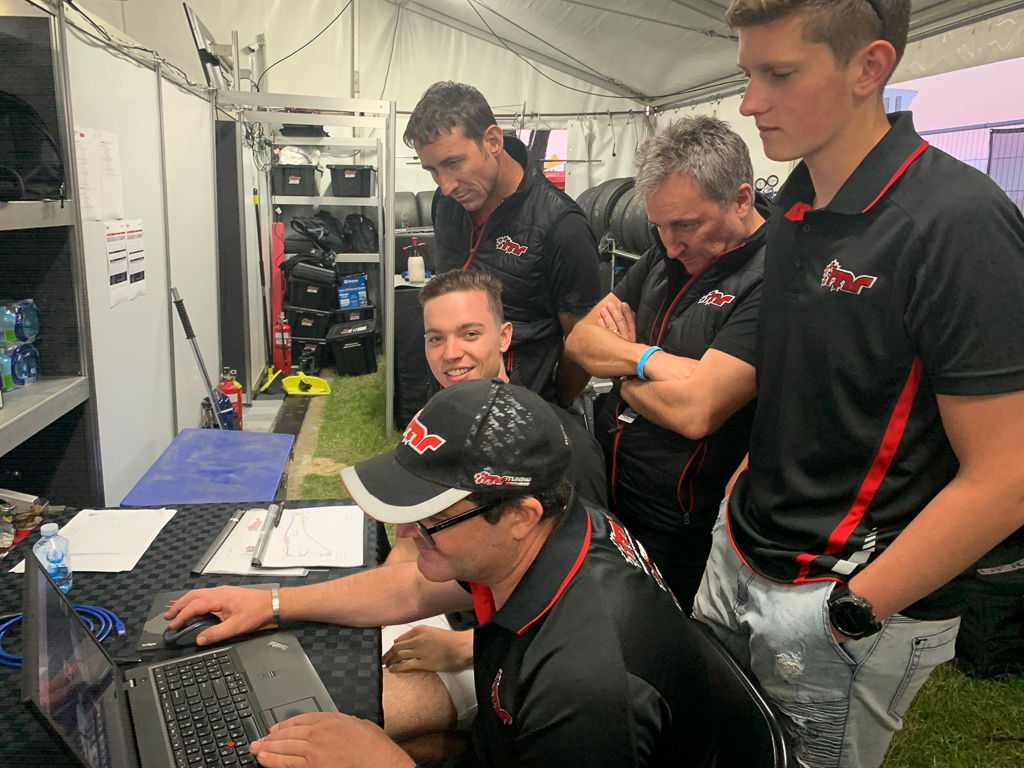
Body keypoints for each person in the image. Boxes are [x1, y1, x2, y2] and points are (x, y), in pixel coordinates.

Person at [693, 2, 1024, 767]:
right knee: (717, 741)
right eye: (748, 73)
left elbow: (1006, 476)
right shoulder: (797, 204)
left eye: (778, 74)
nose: (748, 103)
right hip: (740, 551)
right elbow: (803, 384)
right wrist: (738, 508)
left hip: (837, 596)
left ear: (868, 69)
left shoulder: (956, 222)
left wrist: (851, 610)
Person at [166, 380, 704, 768]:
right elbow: (413, 584)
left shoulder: (587, 690)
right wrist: (275, 603)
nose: (407, 532)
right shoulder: (553, 527)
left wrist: (382, 762)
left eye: (433, 517)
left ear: (519, 515)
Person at [381, 268, 608, 756]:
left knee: (359, 716)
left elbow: (582, 586)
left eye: (469, 333)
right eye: (435, 338)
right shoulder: (439, 417)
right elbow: (406, 548)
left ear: (504, 336)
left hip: (508, 649)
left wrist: (465, 650)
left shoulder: (555, 449)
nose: (450, 354)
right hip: (467, 615)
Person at [564, 116, 766, 606]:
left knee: (668, 641)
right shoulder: (664, 255)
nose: (671, 244)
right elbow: (580, 342)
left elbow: (695, 413)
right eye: (658, 226)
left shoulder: (772, 275)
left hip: (688, 523)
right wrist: (649, 360)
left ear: (741, 199)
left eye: (685, 225)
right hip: (620, 489)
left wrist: (622, 379)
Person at [404, 81, 602, 408]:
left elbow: (583, 344)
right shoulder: (447, 203)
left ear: (493, 141)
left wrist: (552, 407)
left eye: (453, 163)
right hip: (449, 401)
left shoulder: (561, 226)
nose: (446, 184)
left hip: (521, 414)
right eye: (433, 170)